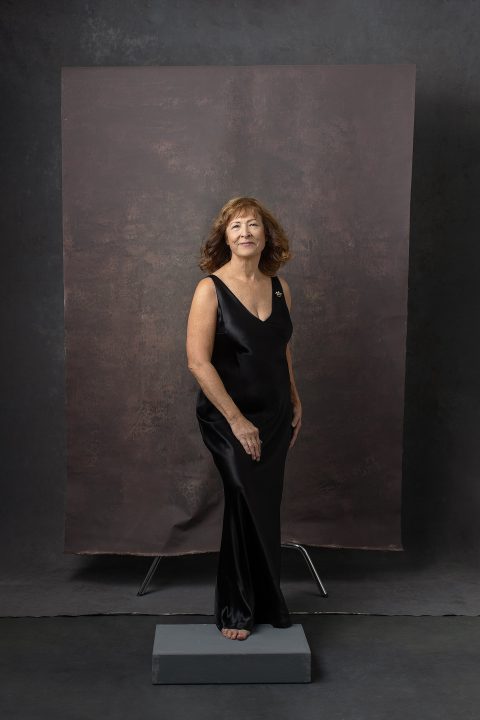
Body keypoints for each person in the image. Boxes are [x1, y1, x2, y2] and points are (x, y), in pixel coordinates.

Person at [186, 196, 302, 641]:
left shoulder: (280, 287)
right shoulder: (208, 289)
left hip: (274, 416)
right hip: (227, 416)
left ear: (266, 234)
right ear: (225, 238)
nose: (246, 233)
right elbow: (198, 362)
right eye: (236, 227)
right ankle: (236, 609)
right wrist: (236, 420)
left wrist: (295, 398)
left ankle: (267, 601)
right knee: (242, 497)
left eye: (253, 225)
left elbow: (281, 349)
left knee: (265, 506)